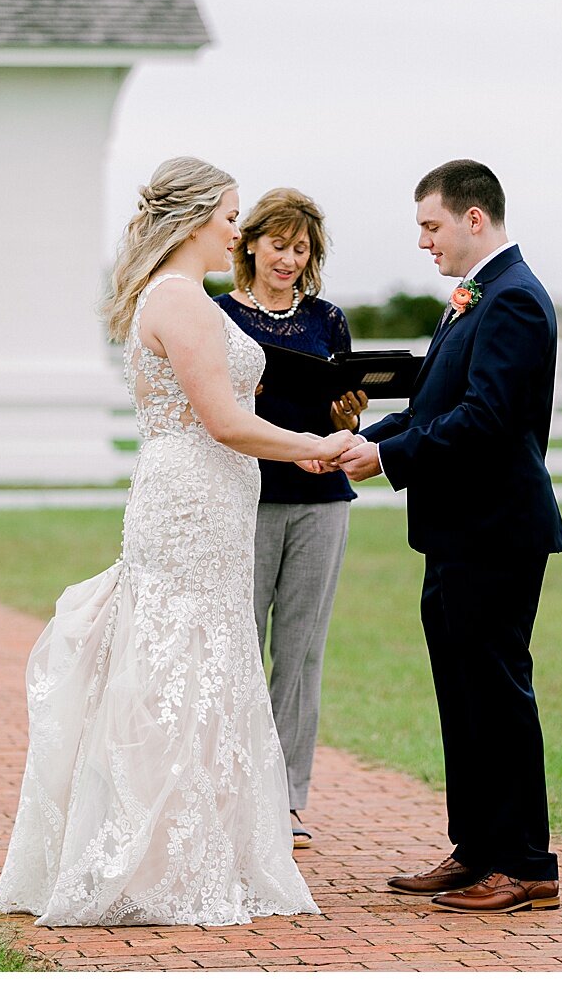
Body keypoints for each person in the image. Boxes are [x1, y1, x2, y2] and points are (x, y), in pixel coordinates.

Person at [0, 157, 358, 927]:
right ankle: (152, 851)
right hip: (193, 491)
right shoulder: (183, 300)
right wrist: (310, 446)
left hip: (209, 492)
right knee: (180, 660)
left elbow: (224, 404)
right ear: (195, 219)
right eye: (229, 213)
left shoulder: (180, 296)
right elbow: (223, 421)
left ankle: (185, 838)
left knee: (202, 656)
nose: (236, 226)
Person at [337, 159, 562, 914]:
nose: (423, 243)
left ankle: (527, 863)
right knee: (462, 692)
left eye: (431, 226)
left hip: (498, 529)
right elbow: (439, 403)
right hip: (455, 529)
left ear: (476, 218)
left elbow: (488, 421)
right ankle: (476, 850)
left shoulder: (516, 301)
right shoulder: (474, 298)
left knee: (498, 693)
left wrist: (390, 455)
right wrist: (368, 440)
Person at [217, 188, 363, 849]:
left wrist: (348, 414)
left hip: (321, 502)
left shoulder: (328, 320)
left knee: (300, 652)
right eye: (278, 244)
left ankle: (288, 798)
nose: (289, 259)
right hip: (242, 497)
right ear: (250, 243)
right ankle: (231, 788)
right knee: (238, 643)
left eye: (300, 249)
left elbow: (344, 417)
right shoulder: (217, 315)